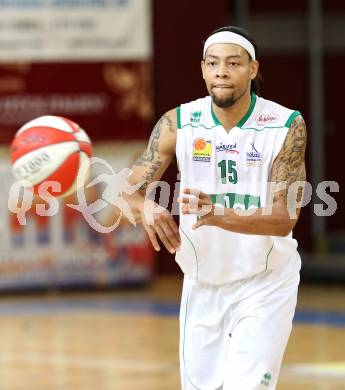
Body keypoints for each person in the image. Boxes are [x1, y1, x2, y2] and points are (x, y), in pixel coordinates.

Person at [125, 26, 306, 390]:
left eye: (233, 63)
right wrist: (144, 206)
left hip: (265, 283)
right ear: (203, 70)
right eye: (214, 63)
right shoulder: (177, 123)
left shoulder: (286, 125)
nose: (222, 71)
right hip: (202, 284)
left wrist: (217, 215)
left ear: (253, 69)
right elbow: (125, 192)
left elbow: (285, 218)